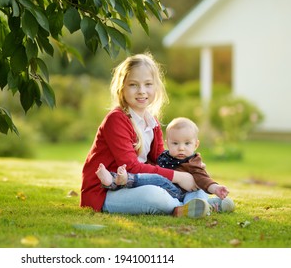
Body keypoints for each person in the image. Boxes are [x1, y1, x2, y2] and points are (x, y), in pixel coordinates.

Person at [80, 52, 213, 218]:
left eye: (148, 84)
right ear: (122, 88)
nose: (142, 91)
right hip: (107, 191)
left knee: (195, 178)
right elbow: (131, 167)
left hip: (136, 183)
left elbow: (161, 161)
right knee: (153, 194)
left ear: (155, 87)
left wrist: (188, 168)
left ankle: (197, 205)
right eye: (133, 85)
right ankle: (198, 206)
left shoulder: (152, 121)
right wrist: (179, 176)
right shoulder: (116, 119)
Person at [96, 117, 235, 213]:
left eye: (187, 144)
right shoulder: (164, 156)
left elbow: (203, 179)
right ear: (167, 142)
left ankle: (122, 179)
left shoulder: (193, 162)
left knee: (196, 190)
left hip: (182, 193)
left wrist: (215, 187)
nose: (181, 148)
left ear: (196, 144)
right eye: (175, 143)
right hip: (168, 192)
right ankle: (205, 207)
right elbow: (149, 169)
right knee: (156, 178)